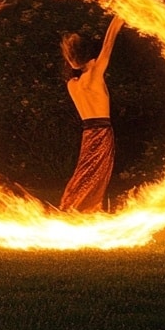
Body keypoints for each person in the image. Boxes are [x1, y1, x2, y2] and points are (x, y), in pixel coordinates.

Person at [59, 14, 125, 212]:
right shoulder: (94, 76)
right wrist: (119, 18)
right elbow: (108, 45)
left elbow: (100, 52)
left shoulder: (72, 85)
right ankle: (81, 210)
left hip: (87, 132)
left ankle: (77, 207)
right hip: (103, 132)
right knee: (98, 173)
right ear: (91, 58)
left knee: (86, 171)